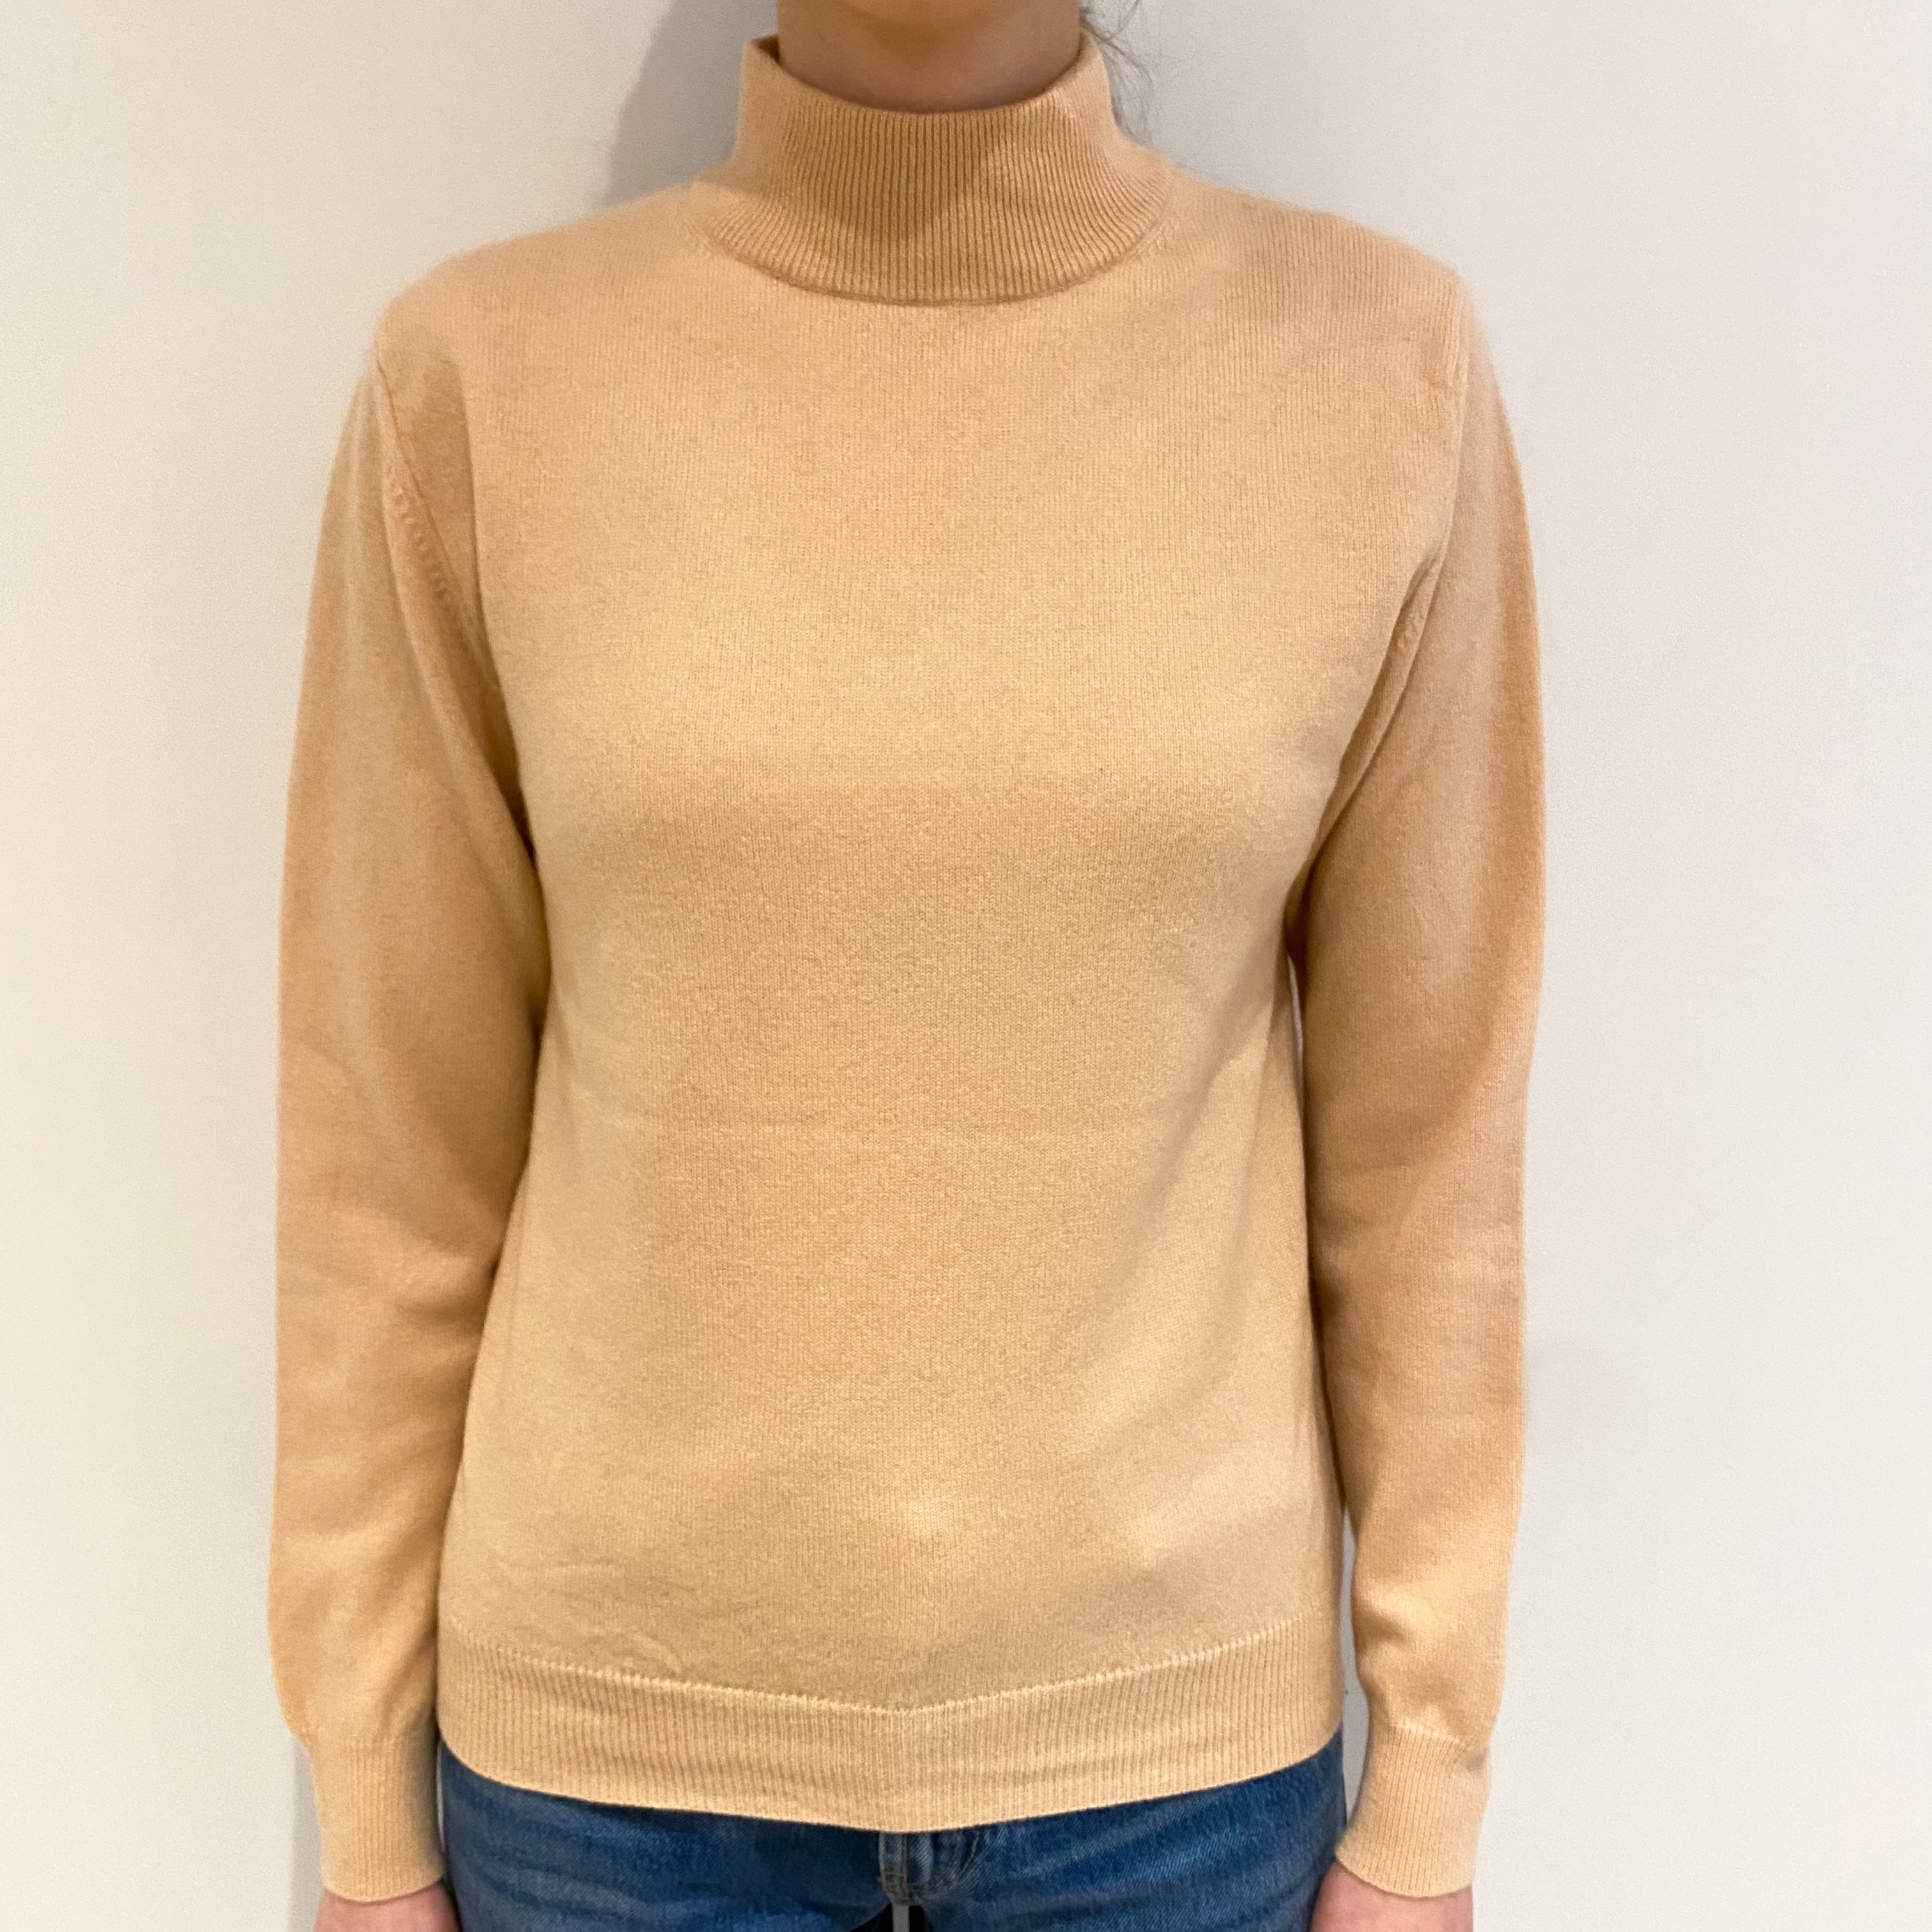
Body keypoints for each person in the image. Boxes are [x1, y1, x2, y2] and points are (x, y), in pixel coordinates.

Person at [267, 1, 1546, 1928]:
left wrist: (1429, 1784)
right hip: (608, 1785)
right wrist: (365, 1810)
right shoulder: (483, 380)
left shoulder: (1376, 371)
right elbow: (389, 1147)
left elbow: (1431, 1151)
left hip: (1174, 1784)